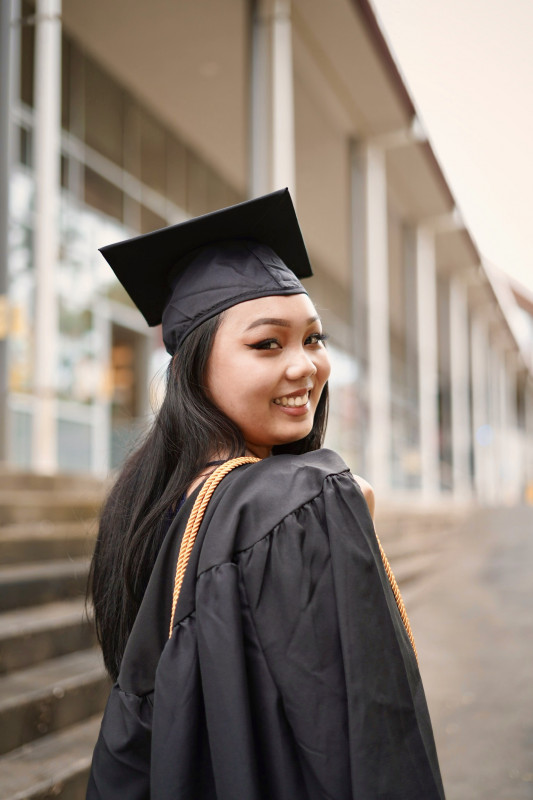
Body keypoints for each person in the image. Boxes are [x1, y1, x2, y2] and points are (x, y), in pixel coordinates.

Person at [86, 189, 444, 799]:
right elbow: (359, 733)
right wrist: (337, 512)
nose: (306, 367)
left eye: (313, 339)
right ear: (192, 367)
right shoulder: (296, 506)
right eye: (267, 344)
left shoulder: (145, 503)